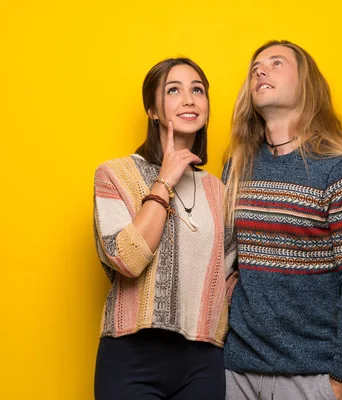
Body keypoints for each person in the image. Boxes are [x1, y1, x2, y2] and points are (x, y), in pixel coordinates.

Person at [223, 40, 342, 400]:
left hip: (311, 376)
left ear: (306, 83)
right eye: (256, 66)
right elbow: (224, 262)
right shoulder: (237, 169)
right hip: (236, 371)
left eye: (277, 63)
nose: (260, 70)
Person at [93, 57, 237, 400]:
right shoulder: (114, 175)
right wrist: (165, 180)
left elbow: (230, 278)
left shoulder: (220, 190)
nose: (189, 99)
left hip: (204, 360)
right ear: (152, 110)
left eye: (198, 90)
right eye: (174, 90)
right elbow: (127, 258)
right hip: (131, 357)